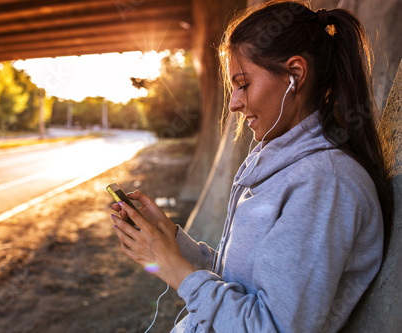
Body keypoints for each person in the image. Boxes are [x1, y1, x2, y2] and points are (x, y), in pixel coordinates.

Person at [110, 0, 393, 332]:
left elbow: (271, 326)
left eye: (243, 84)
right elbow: (237, 282)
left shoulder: (325, 185)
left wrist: (174, 270)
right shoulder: (281, 164)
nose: (233, 103)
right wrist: (168, 239)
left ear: (295, 76)